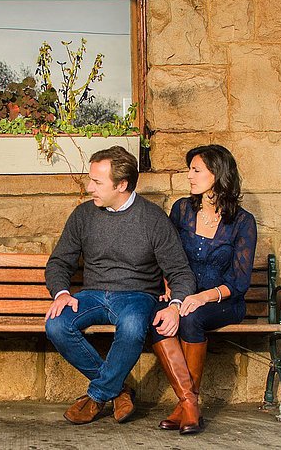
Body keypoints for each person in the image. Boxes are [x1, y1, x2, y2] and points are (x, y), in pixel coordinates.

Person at [45, 146, 196, 426]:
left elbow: (180, 271)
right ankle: (118, 390)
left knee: (132, 326)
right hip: (92, 295)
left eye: (97, 182)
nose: (89, 187)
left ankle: (97, 394)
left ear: (122, 185)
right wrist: (62, 293)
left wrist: (175, 306)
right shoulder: (83, 216)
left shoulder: (152, 219)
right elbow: (58, 263)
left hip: (137, 296)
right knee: (55, 325)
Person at [151, 144, 257, 435]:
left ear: (217, 175)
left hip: (223, 301)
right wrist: (169, 286)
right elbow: (167, 254)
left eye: (196, 170)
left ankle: (185, 406)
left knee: (191, 318)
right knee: (158, 317)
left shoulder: (242, 222)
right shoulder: (182, 210)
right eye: (190, 169)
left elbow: (239, 281)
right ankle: (189, 405)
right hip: (183, 297)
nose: (189, 176)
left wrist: (200, 297)